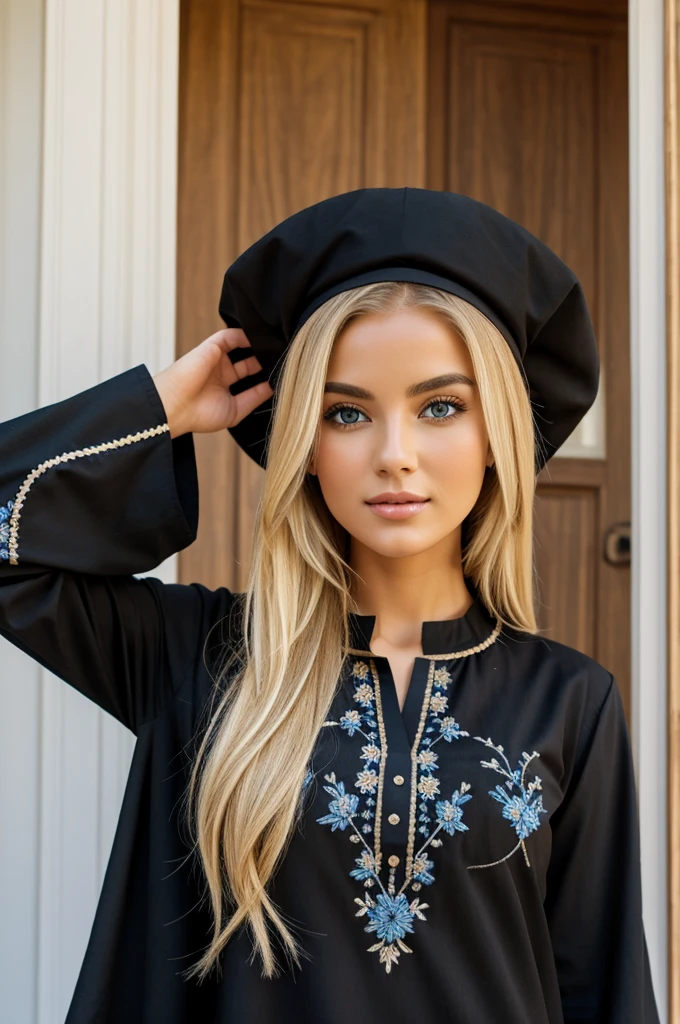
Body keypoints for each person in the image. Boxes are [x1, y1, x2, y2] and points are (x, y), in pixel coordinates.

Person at [0, 188, 659, 1023]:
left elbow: (605, 991)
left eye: (441, 408)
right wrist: (156, 409)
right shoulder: (198, 660)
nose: (395, 456)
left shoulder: (572, 702)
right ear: (303, 443)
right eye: (346, 413)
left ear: (499, 437)